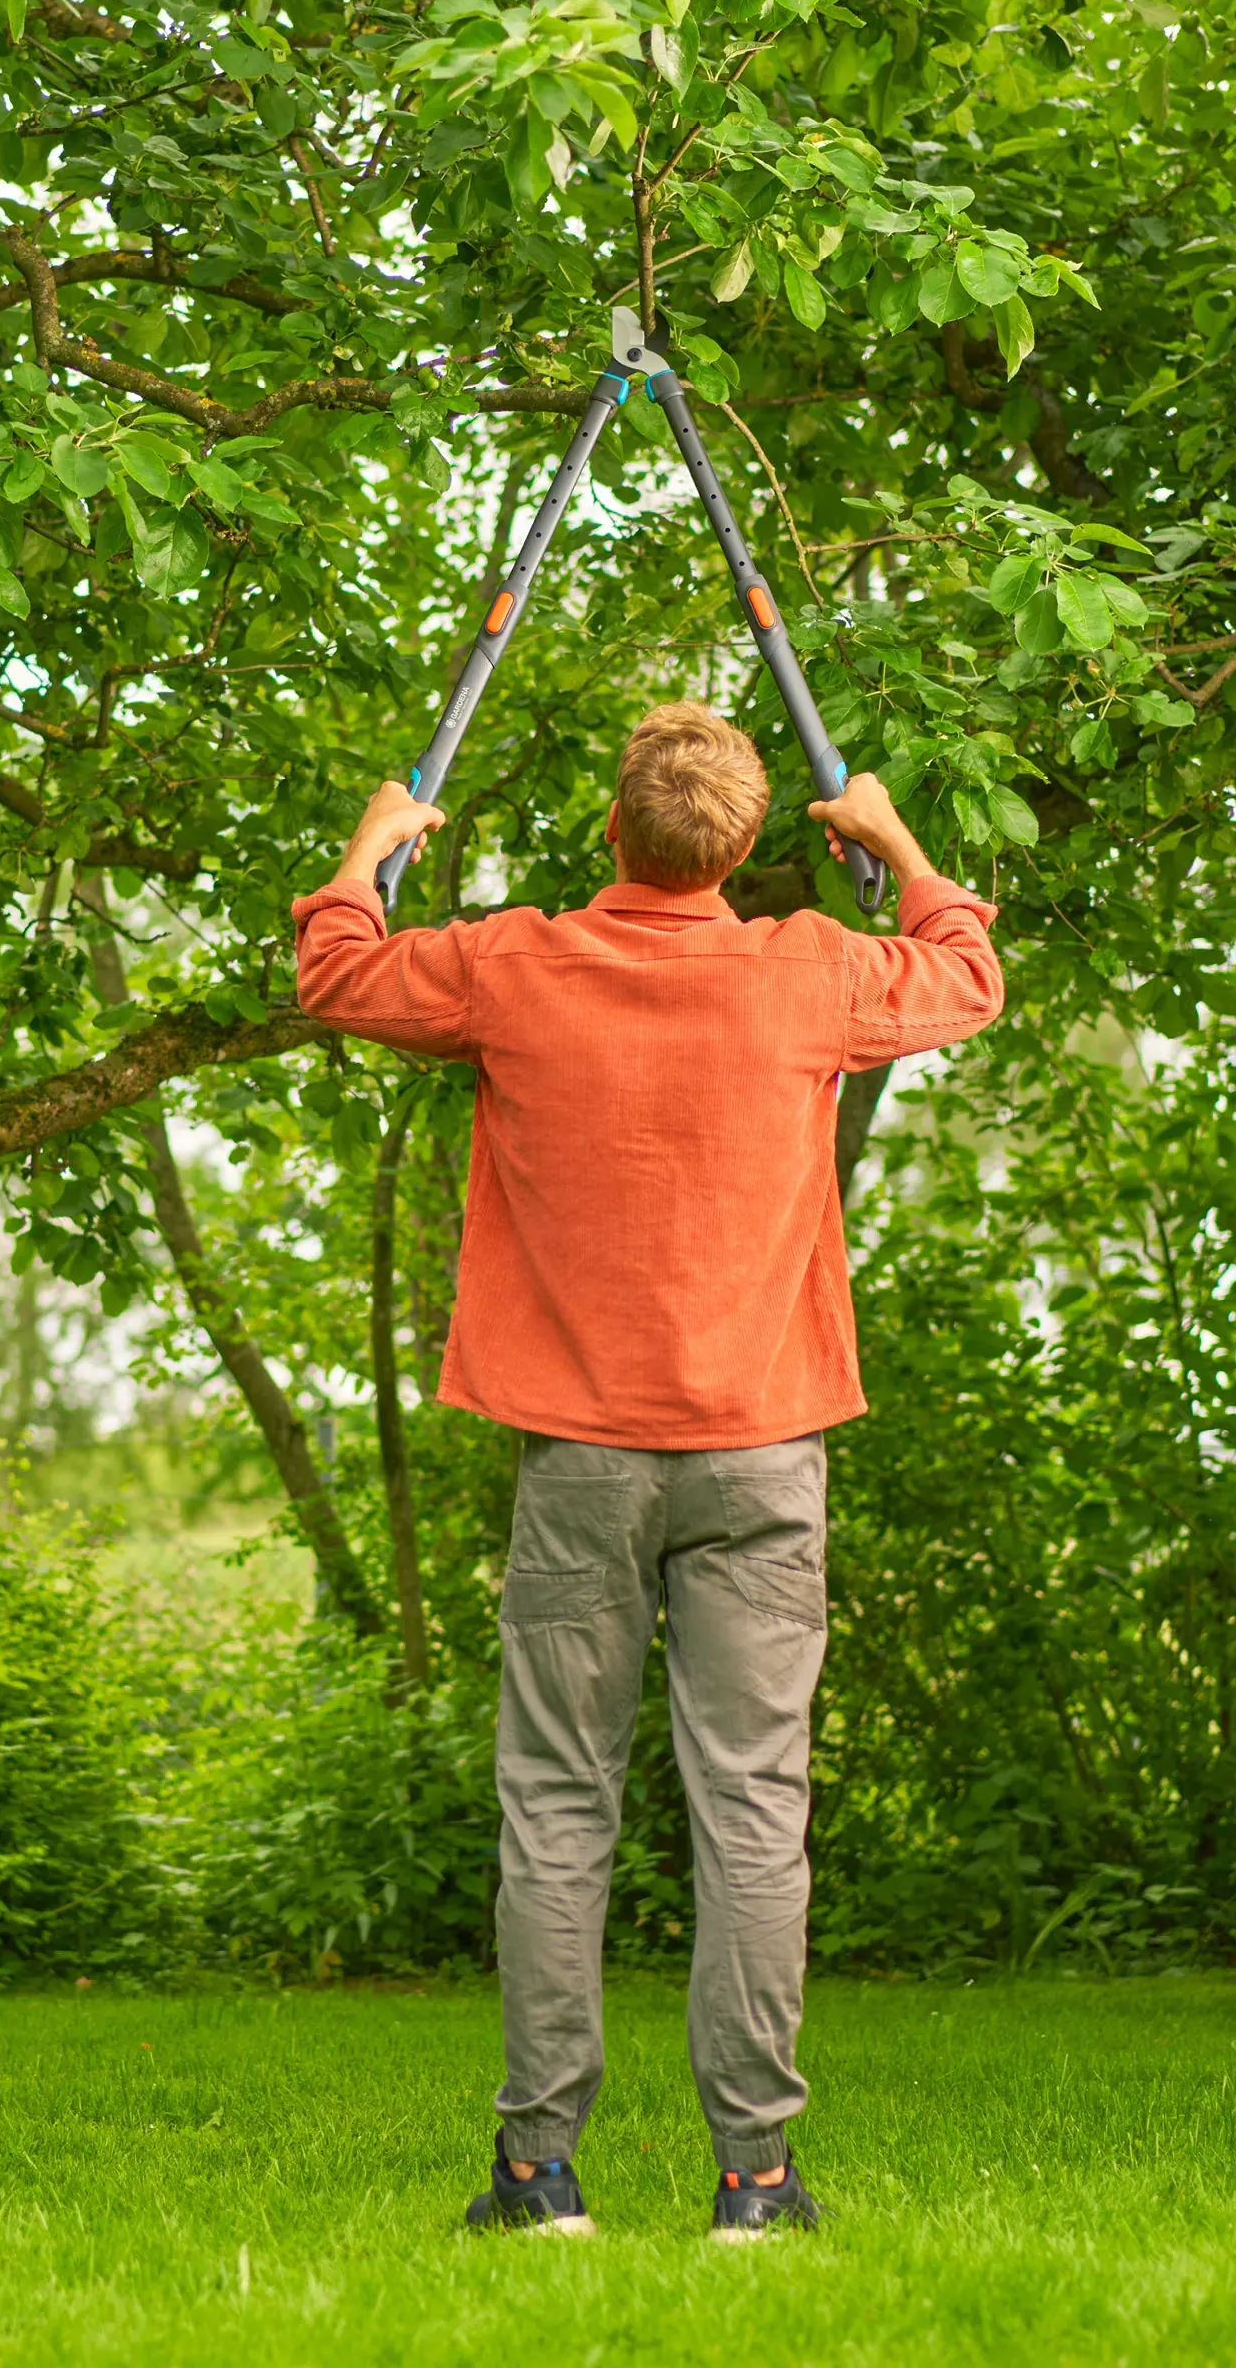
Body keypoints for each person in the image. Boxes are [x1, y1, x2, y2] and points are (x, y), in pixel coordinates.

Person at [292, 703, 1004, 2242]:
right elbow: (968, 974)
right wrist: (890, 843)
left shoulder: (518, 962)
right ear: (747, 847)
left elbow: (336, 968)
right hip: (762, 1452)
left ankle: (539, 2178)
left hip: (586, 1466)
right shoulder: (812, 970)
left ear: (617, 834)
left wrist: (372, 845)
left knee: (557, 1806)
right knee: (753, 1814)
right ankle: (757, 2184)